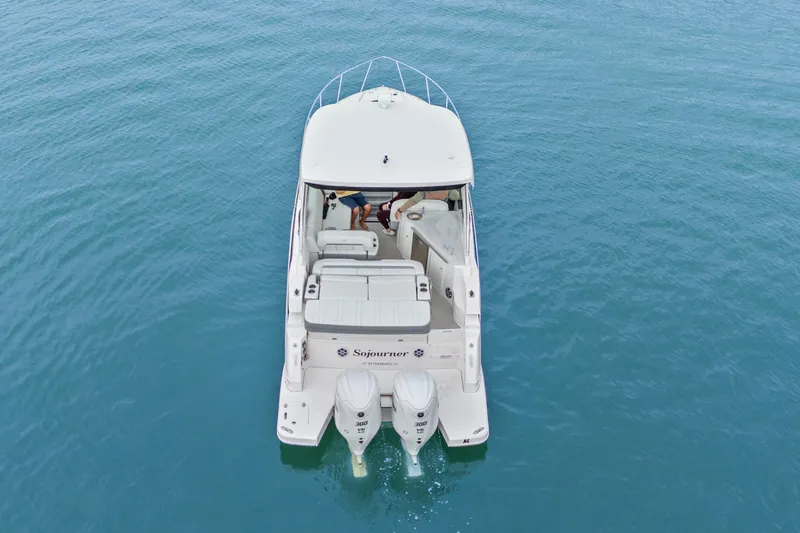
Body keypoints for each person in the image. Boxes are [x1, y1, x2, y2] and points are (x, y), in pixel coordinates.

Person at [394, 189, 460, 220]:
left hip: (427, 212)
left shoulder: (423, 192)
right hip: (441, 214)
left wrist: (400, 210)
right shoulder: (448, 190)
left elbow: (413, 201)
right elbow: (457, 196)